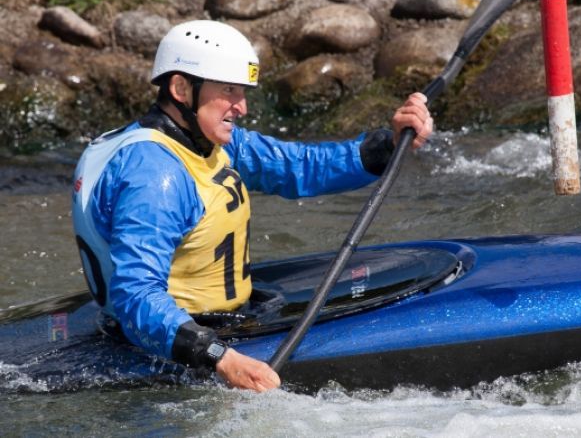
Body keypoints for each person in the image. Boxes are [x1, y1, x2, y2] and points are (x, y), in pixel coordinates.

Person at [72, 20, 433, 393]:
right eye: (228, 91)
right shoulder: (155, 176)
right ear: (181, 88)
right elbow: (135, 296)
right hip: (181, 348)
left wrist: (388, 144)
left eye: (242, 91)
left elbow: (299, 167)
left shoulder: (209, 142)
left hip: (217, 324)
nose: (241, 106)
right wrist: (220, 357)